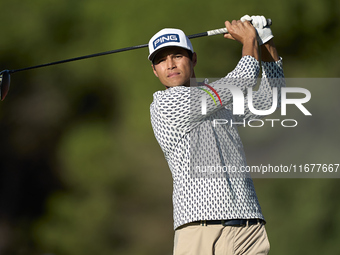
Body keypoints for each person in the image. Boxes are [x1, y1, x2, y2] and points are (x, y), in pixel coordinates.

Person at [149, 15, 284, 255]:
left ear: (193, 59)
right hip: (201, 229)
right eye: (161, 60)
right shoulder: (165, 104)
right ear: (154, 70)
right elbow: (242, 78)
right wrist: (248, 40)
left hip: (248, 226)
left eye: (177, 56)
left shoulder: (217, 98)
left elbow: (271, 100)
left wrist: (265, 42)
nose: (169, 64)